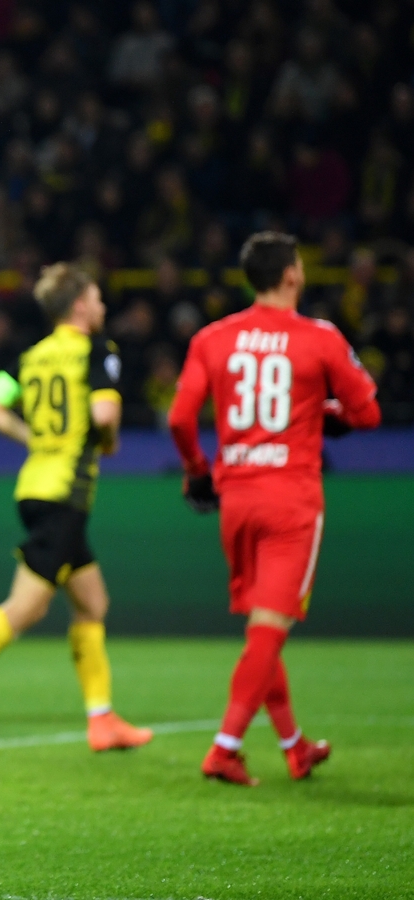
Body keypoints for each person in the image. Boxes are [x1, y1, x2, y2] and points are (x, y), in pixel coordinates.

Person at [168, 231, 380, 786]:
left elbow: (180, 418)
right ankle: (225, 748)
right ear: (291, 275)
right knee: (269, 630)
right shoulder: (320, 337)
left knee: (264, 625)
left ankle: (294, 746)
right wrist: (327, 414)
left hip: (236, 499)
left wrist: (197, 470)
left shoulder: (213, 338)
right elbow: (368, 412)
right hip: (291, 501)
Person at [0, 263, 152, 751]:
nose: (103, 307)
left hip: (36, 487)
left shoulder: (32, 357)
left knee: (92, 602)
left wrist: (34, 437)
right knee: (27, 607)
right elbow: (104, 413)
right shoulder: (96, 350)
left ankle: (102, 719)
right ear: (80, 306)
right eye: (98, 298)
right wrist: (107, 440)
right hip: (64, 494)